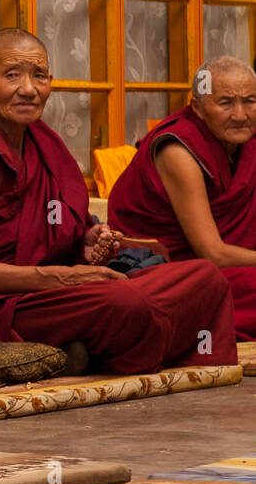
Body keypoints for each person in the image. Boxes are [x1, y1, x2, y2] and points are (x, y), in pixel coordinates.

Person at [0, 29, 237, 375]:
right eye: (12, 75)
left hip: (44, 293)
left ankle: (81, 347)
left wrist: (84, 244)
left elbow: (54, 229)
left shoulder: (42, 142)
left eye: (39, 76)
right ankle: (92, 349)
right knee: (125, 302)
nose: (29, 89)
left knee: (206, 277)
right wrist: (63, 277)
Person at [108, 56, 256, 338]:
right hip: (174, 272)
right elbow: (213, 254)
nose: (240, 114)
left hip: (225, 268)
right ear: (198, 108)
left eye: (250, 101)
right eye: (226, 103)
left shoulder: (247, 144)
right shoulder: (179, 149)